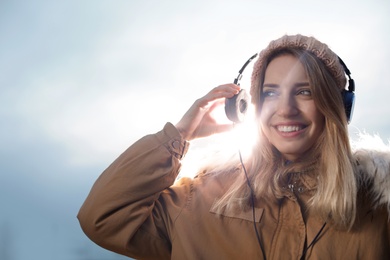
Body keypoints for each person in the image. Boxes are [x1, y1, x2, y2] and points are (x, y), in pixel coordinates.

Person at [77, 34, 390, 259]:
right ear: (247, 107)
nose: (286, 109)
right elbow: (102, 218)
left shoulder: (380, 207)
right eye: (270, 93)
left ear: (338, 107)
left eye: (305, 92)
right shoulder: (201, 199)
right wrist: (180, 135)